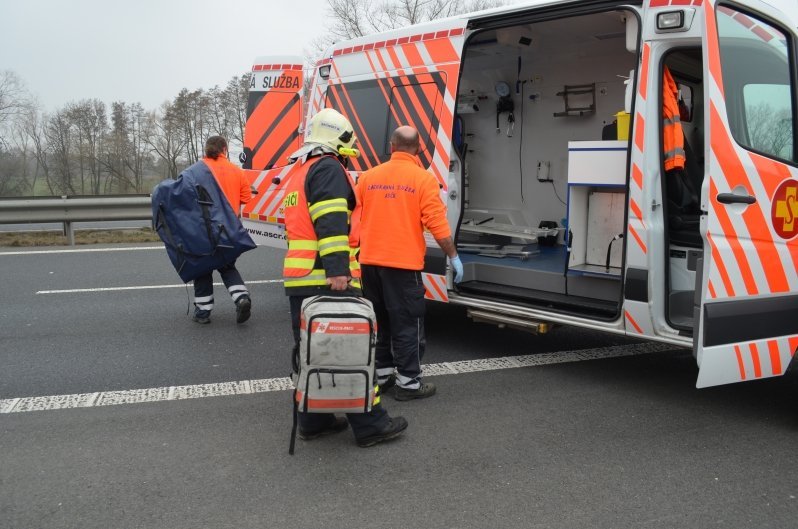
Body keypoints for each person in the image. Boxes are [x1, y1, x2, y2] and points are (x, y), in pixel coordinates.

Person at [282, 108, 408, 447]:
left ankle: (314, 420)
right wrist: (338, 271)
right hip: (326, 276)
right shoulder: (327, 168)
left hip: (301, 276)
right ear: (339, 139)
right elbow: (331, 222)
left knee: (312, 351)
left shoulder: (300, 168)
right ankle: (371, 425)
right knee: (349, 349)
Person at [356, 126, 463, 401]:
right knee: (407, 325)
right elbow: (437, 225)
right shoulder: (423, 180)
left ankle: (382, 375)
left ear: (391, 146)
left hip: (369, 264)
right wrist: (452, 255)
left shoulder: (368, 177)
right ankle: (409, 384)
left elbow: (354, 218)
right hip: (402, 267)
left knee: (379, 322)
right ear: (418, 149)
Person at [191, 135, 253, 325]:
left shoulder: (195, 171)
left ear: (207, 149)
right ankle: (241, 299)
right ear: (225, 150)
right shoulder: (237, 171)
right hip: (229, 229)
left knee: (202, 270)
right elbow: (246, 198)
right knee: (227, 267)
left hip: (203, 229)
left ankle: (203, 313)